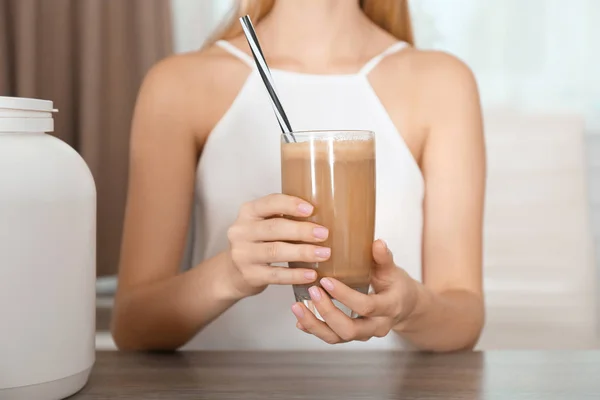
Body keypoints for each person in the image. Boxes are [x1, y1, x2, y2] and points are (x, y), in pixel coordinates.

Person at [111, 0, 485, 352]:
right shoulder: (177, 84)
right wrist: (229, 274)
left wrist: (410, 305)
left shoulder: (443, 82)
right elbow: (133, 325)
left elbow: (463, 320)